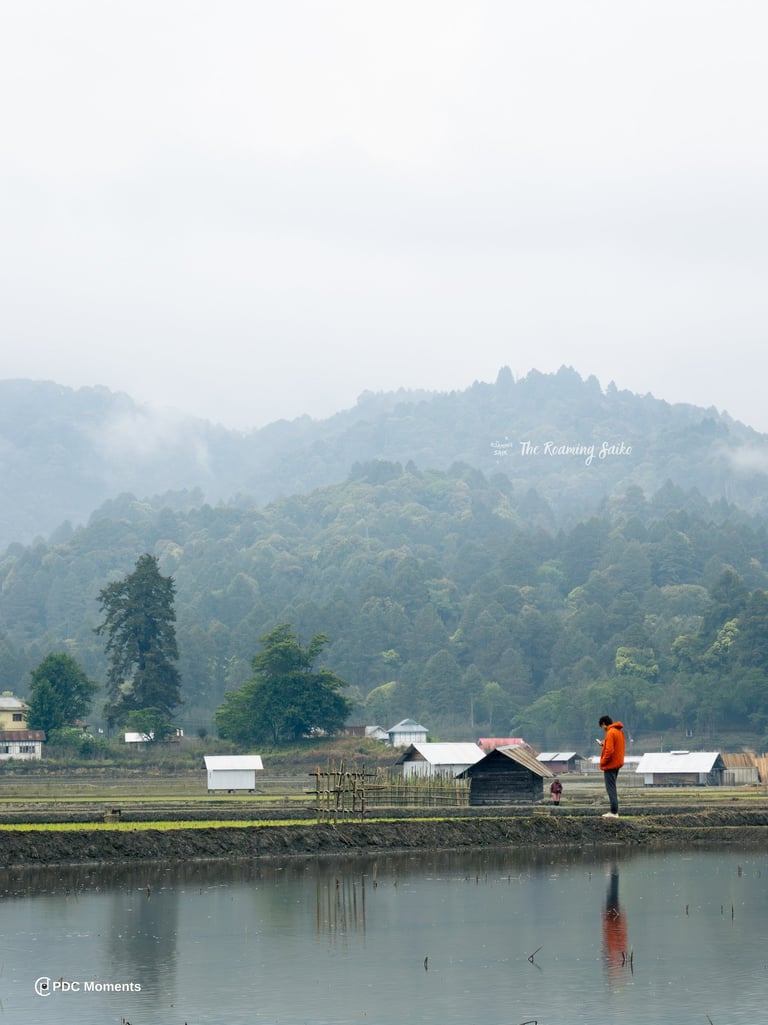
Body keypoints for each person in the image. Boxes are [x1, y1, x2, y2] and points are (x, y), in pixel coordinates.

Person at [598, 715, 625, 818]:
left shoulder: (610, 732)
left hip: (610, 764)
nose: (603, 729)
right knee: (612, 786)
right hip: (617, 763)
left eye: (602, 727)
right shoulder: (619, 732)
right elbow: (616, 746)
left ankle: (614, 812)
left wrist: (602, 762)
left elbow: (609, 751)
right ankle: (614, 811)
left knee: (610, 788)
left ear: (604, 724)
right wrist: (603, 744)